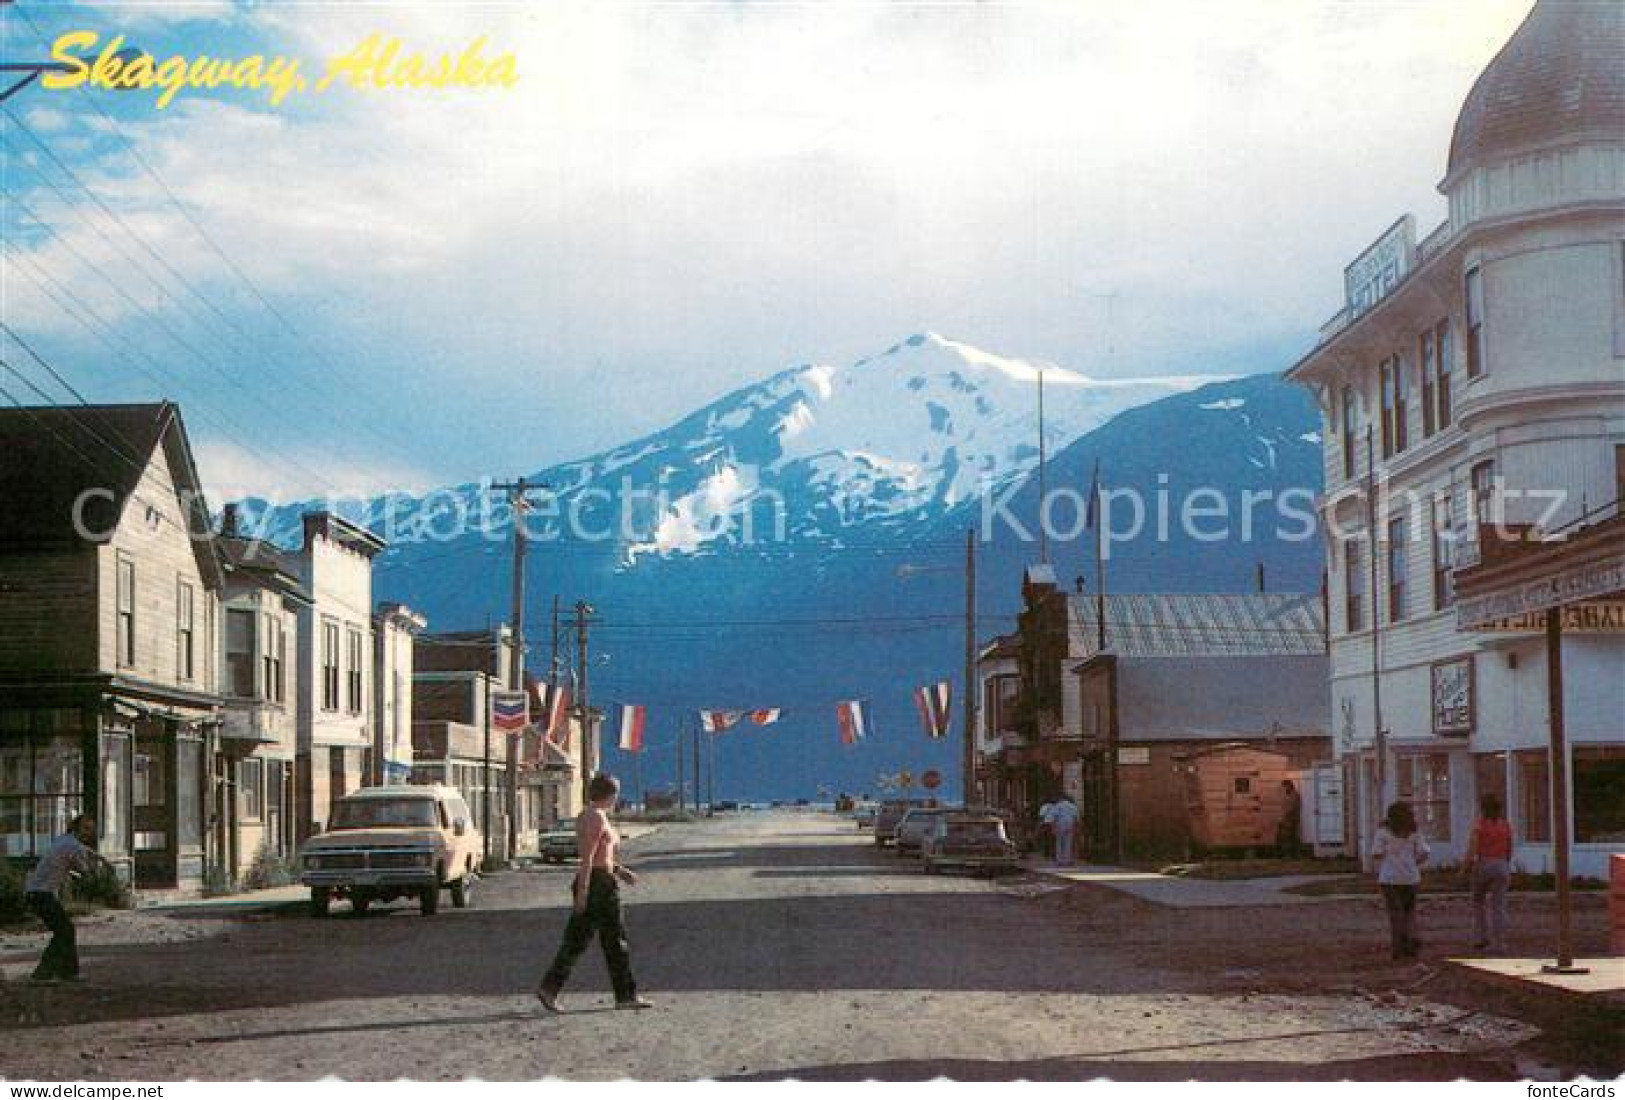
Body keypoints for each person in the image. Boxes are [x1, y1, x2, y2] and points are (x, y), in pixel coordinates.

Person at [536, 774, 652, 1011]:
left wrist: (620, 871)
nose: (616, 798)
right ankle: (625, 995)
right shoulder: (595, 818)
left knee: (578, 940)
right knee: (614, 941)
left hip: (601, 879)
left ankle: (549, 988)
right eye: (615, 793)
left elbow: (602, 857)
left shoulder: (593, 816)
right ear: (608, 794)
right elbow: (588, 858)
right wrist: (583, 892)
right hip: (598, 885)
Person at [25, 815, 102, 984]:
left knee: (66, 930)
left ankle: (68, 972)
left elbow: (73, 853)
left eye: (91, 829)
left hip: (36, 892)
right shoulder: (73, 847)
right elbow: (85, 872)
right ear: (76, 829)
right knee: (64, 931)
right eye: (86, 828)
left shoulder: (63, 840)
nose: (89, 833)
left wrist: (92, 854)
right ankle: (42, 974)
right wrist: (97, 869)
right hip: (42, 894)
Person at [1372, 801, 1430, 961]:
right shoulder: (1414, 832)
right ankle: (1411, 943)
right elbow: (1425, 853)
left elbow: (1376, 854)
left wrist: (1387, 859)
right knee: (1409, 913)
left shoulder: (1383, 832)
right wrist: (1413, 863)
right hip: (1411, 877)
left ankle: (1397, 949)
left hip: (1389, 878)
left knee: (1395, 915)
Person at [1465, 793, 1513, 954]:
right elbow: (1509, 848)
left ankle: (1480, 936)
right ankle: (1500, 942)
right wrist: (1506, 864)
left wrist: (1464, 867)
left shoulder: (1480, 825)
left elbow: (1472, 848)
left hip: (1484, 863)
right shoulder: (1505, 825)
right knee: (1498, 905)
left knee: (1478, 902)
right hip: (1501, 863)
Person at [1049, 795, 1080, 866]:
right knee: (1068, 843)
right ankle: (1067, 860)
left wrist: (1053, 828)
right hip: (1070, 825)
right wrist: (1076, 827)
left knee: (1059, 843)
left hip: (1059, 825)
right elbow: (1076, 818)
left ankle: (1059, 860)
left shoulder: (1057, 806)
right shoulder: (1073, 806)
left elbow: (1053, 817)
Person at [1276, 780, 1303, 859]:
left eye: (1285, 786)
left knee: (1289, 837)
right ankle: (1290, 855)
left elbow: (1291, 808)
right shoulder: (1288, 795)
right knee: (1287, 837)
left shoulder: (1294, 795)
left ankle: (1290, 855)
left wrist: (1283, 817)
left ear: (1289, 786)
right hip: (1287, 819)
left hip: (1291, 820)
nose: (1284, 788)